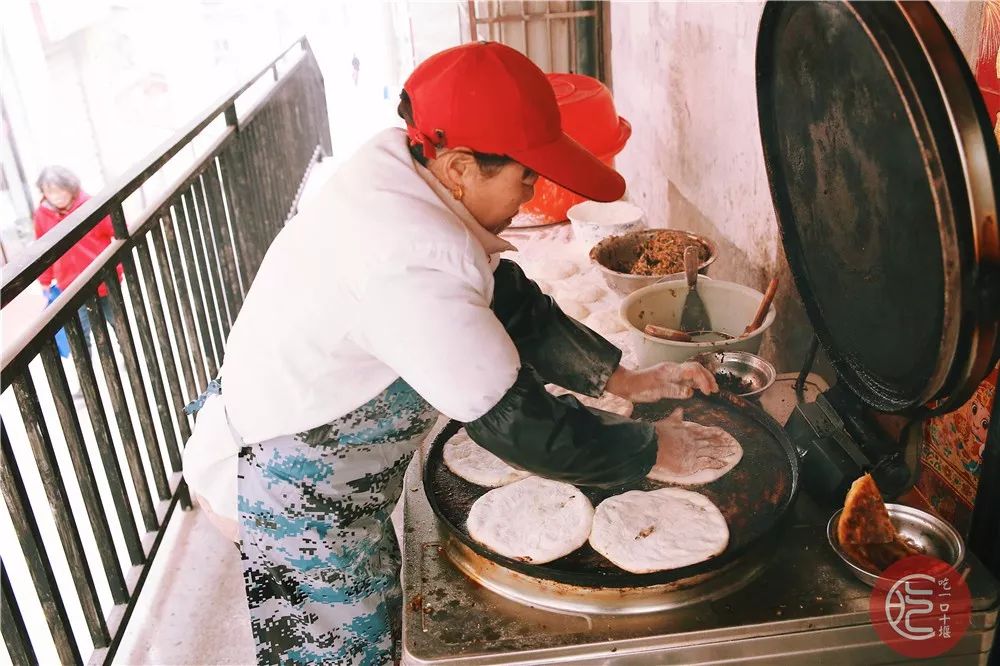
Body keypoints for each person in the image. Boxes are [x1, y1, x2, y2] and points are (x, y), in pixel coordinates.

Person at [184, 42, 733, 665]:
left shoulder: (404, 171)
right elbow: (523, 427)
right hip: (291, 490)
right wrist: (656, 447)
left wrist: (624, 381)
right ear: (460, 167)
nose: (530, 195)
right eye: (524, 176)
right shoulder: (411, 263)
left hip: (320, 452)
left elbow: (509, 301)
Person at [33, 165, 121, 353]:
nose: (56, 197)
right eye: (50, 192)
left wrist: (118, 269)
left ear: (71, 187)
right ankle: (86, 379)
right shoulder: (42, 215)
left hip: (102, 280)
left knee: (119, 324)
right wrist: (45, 281)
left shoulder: (90, 205)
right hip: (71, 287)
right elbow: (43, 250)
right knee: (80, 337)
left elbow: (117, 229)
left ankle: (131, 362)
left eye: (60, 191)